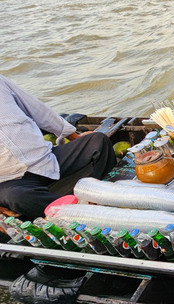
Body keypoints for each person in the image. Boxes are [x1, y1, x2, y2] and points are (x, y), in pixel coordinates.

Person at [0, 75, 117, 223]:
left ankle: (87, 197)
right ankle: (80, 210)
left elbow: (37, 110)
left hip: (47, 159)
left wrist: (76, 138)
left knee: (98, 141)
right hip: (10, 181)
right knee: (17, 198)